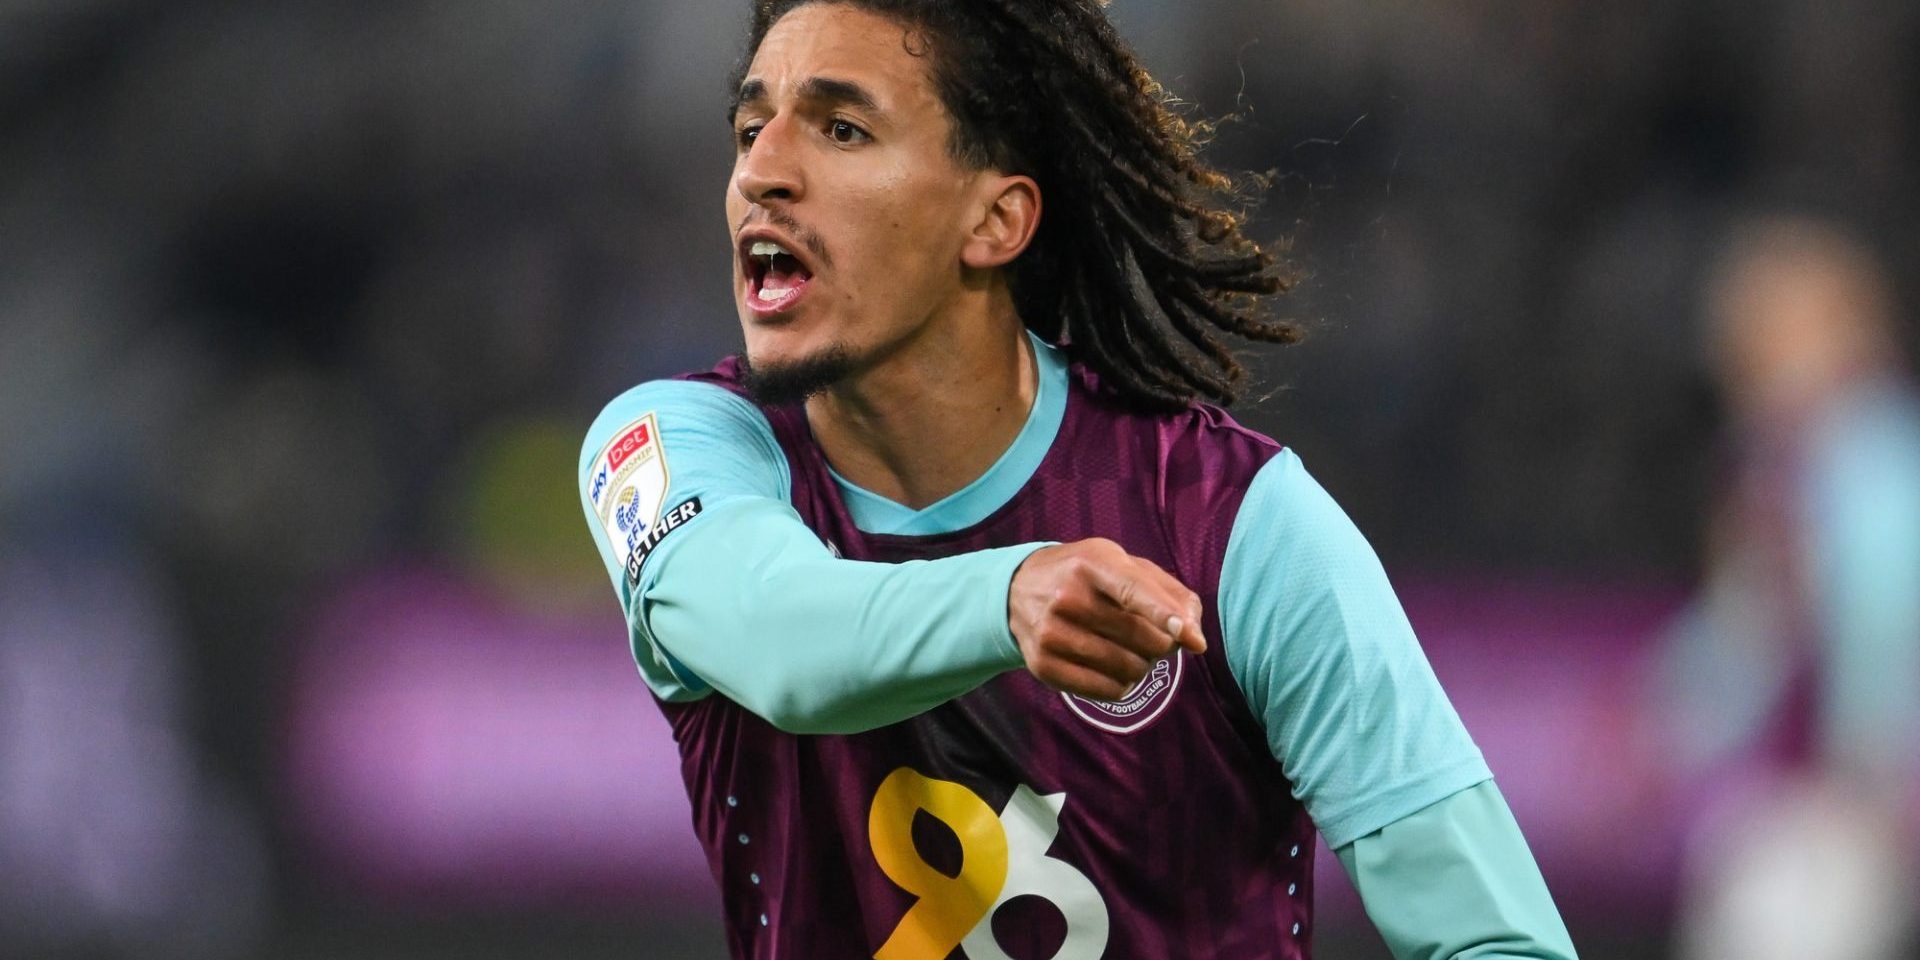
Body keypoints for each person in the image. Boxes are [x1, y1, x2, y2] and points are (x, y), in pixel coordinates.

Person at [578, 1, 1576, 956]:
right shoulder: (673, 450)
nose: (764, 170)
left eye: (841, 130)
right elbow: (779, 638)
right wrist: (1010, 596)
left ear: (996, 221)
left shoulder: (1233, 527)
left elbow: (1493, 939)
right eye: (751, 127)